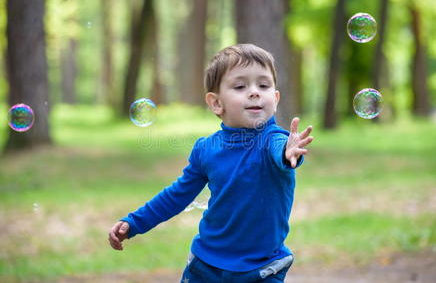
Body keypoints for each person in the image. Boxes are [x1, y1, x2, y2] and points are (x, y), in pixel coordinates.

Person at [108, 44, 314, 282]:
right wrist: (134, 222)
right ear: (216, 103)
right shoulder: (206, 149)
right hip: (207, 265)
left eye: (264, 85)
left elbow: (280, 154)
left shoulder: (274, 139)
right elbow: (177, 195)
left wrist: (289, 152)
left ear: (275, 99)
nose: (255, 92)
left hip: (263, 268)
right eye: (240, 86)